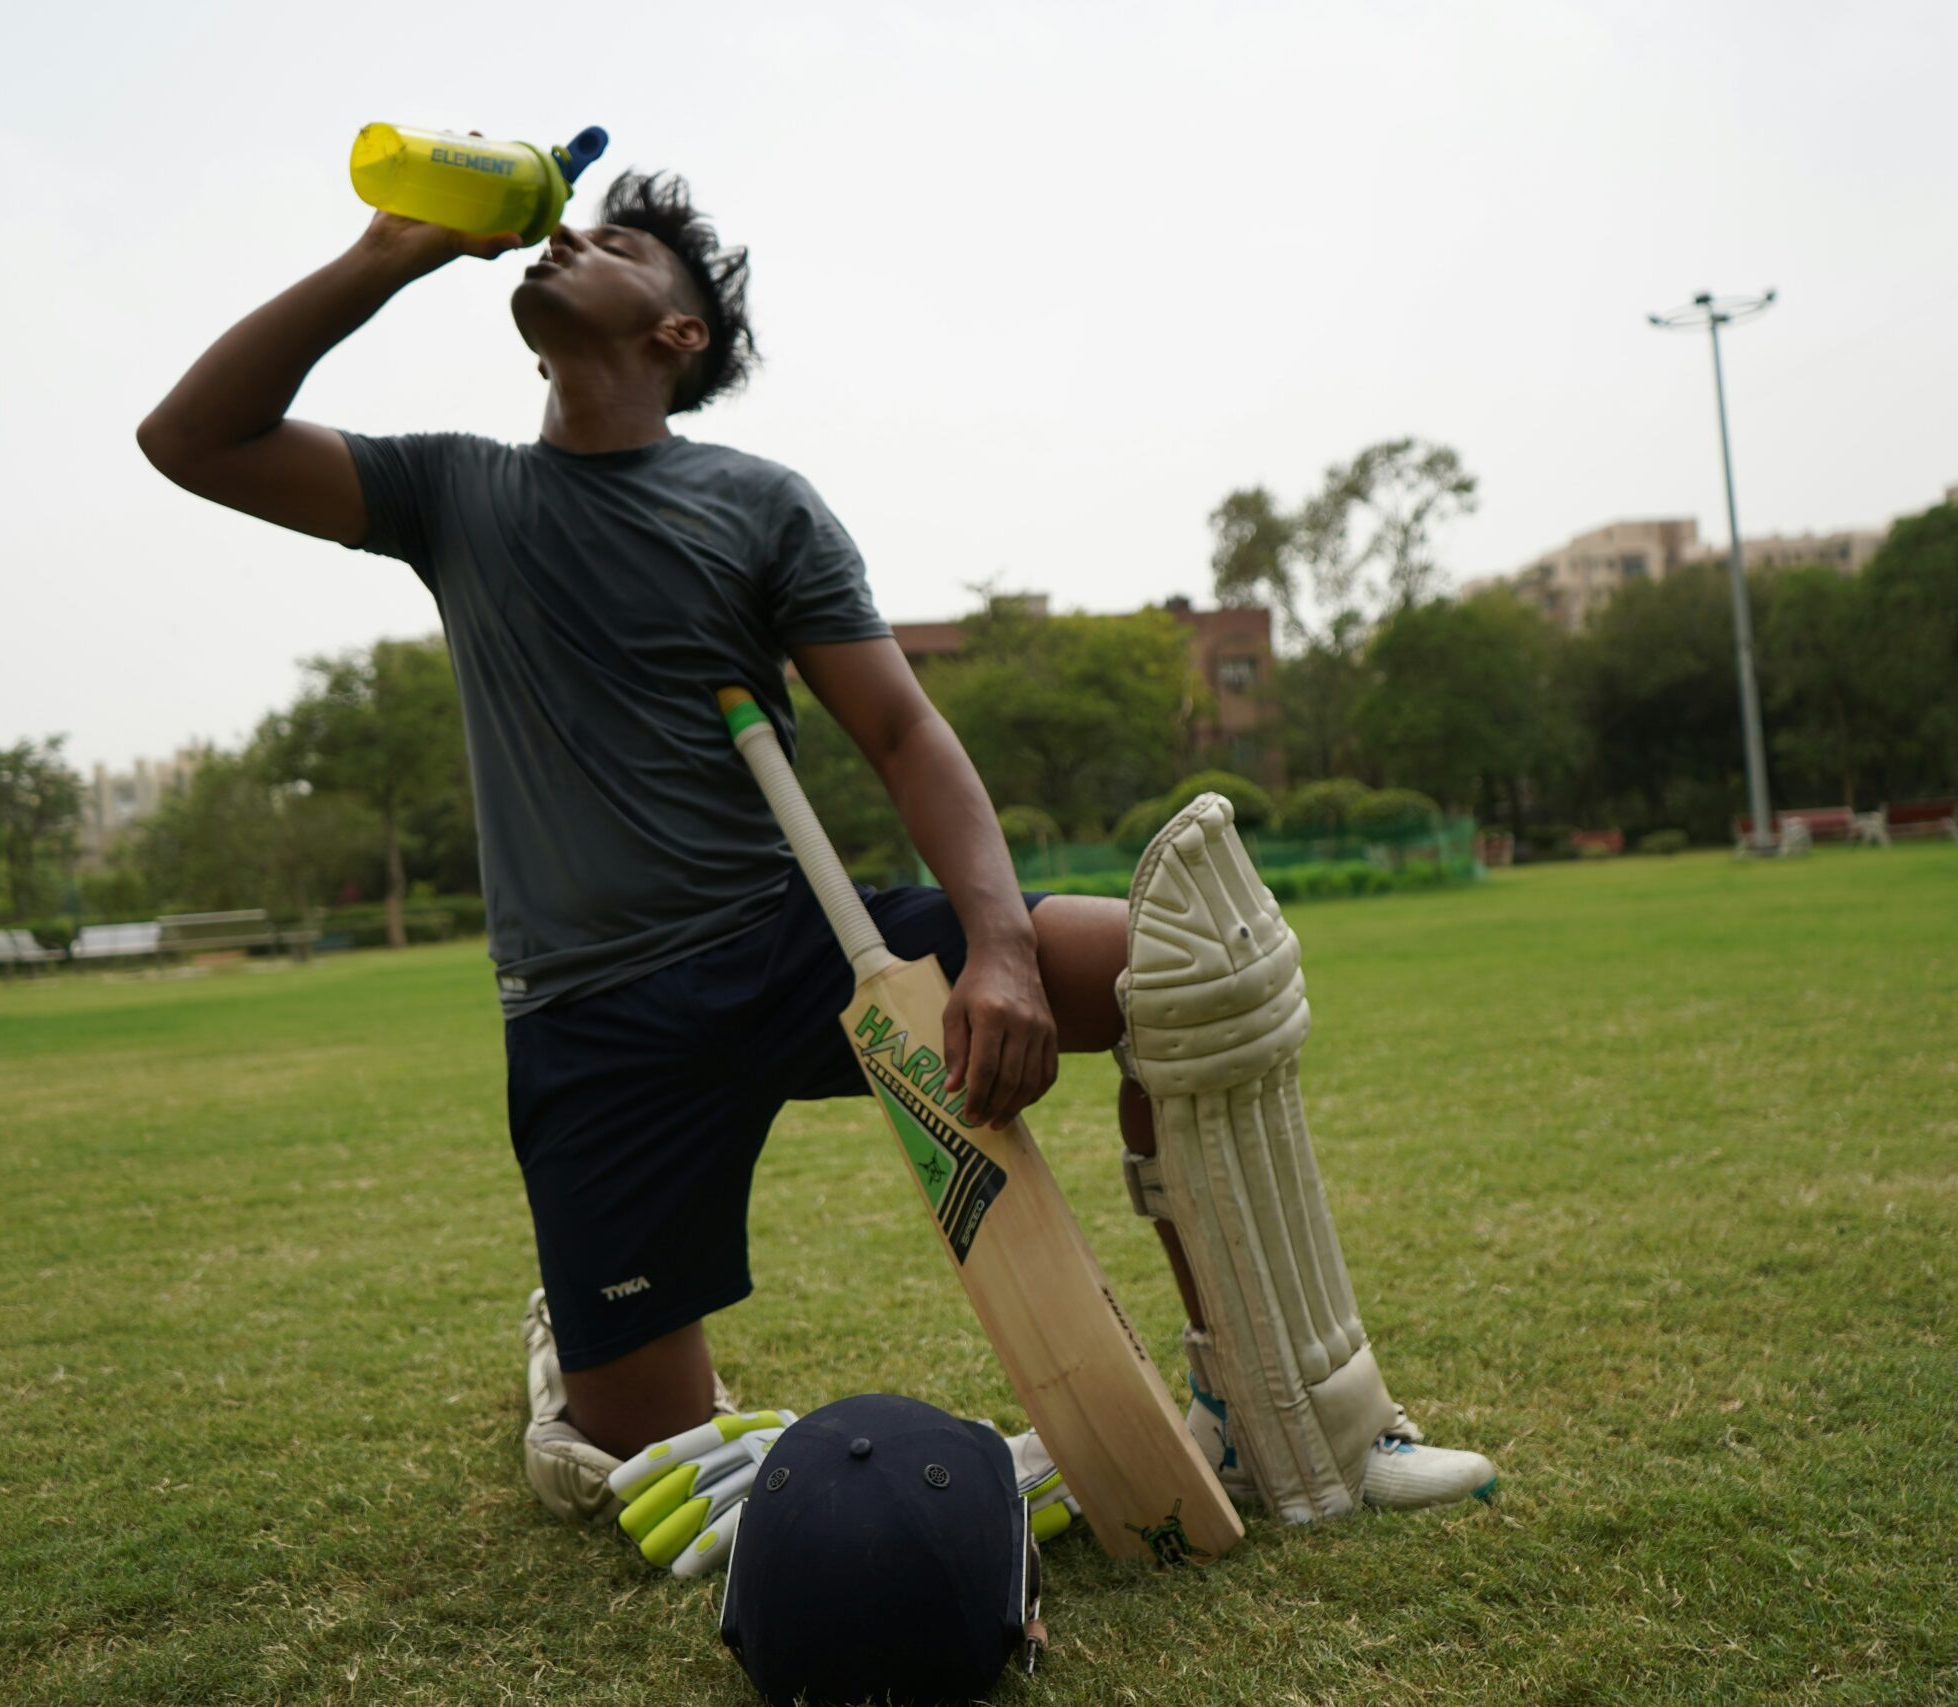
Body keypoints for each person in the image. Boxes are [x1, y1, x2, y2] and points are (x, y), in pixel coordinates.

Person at [136, 169, 1493, 1566]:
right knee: (635, 1464)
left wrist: (1005, 953)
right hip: (592, 1023)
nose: (566, 241)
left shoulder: (754, 503)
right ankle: (577, 1362)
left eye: (616, 243)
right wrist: (391, 252)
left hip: (796, 947)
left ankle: (1302, 1417)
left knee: (1183, 970)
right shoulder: (452, 491)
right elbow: (190, 437)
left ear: (680, 335)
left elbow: (904, 732)